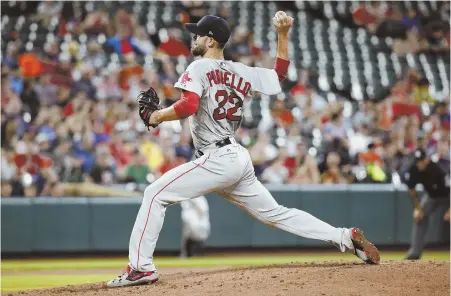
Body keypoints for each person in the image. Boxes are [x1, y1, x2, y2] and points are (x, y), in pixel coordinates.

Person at [107, 13, 380, 288]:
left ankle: (141, 268)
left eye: (199, 34)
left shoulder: (199, 66)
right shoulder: (239, 70)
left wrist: (155, 117)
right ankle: (344, 236)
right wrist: (282, 35)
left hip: (217, 158)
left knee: (154, 194)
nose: (194, 38)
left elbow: (189, 105)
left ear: (211, 40)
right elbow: (279, 75)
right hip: (235, 156)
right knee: (276, 213)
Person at [404, 149, 450, 260]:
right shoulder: (414, 168)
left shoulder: (438, 169)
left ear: (427, 159)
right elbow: (411, 190)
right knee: (419, 218)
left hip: (447, 195)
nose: (419, 164)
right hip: (431, 196)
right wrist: (417, 209)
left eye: (421, 161)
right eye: (417, 161)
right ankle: (414, 253)